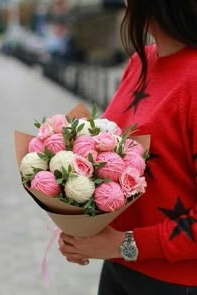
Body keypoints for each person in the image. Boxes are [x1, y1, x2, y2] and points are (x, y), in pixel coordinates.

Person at [58, 0, 197, 294]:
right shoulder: (139, 63)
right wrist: (83, 229)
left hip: (175, 282)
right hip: (119, 269)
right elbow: (111, 162)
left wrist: (123, 245)